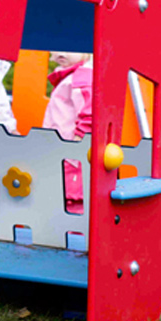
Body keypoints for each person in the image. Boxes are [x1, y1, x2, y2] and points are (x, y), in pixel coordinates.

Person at [42, 51, 93, 215]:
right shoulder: (70, 76)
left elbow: (89, 112)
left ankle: (75, 232)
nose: (61, 53)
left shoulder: (82, 77)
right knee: (61, 192)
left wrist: (78, 143)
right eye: (56, 48)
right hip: (61, 149)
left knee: (73, 194)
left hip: (72, 153)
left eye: (69, 49)